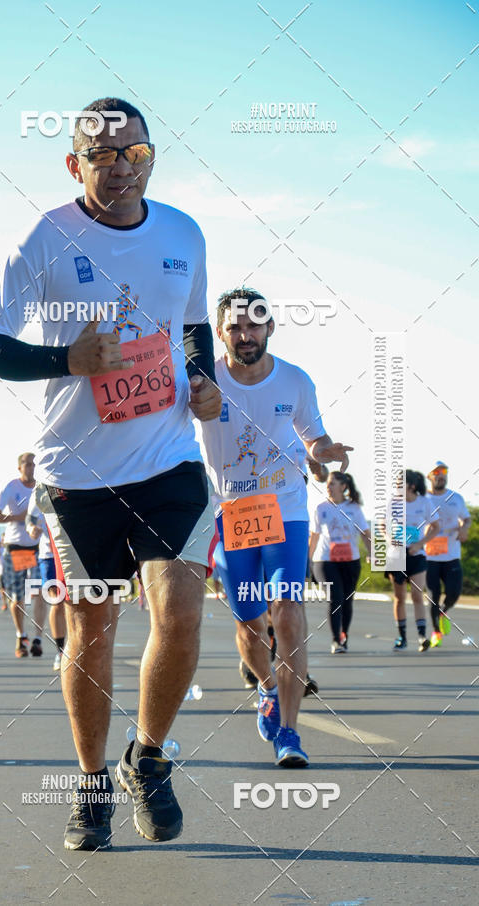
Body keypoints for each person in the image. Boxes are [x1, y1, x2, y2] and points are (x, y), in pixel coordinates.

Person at [0, 97, 221, 850]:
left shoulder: (183, 232)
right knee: (91, 627)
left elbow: (193, 325)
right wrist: (67, 361)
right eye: (104, 155)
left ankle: (147, 758)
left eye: (135, 154)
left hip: (169, 461)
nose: (121, 168)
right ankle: (89, 784)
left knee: (179, 613)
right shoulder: (44, 238)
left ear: (151, 155)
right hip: (76, 472)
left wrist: (204, 380)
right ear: (74, 162)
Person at [198, 288, 352, 767]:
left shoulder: (295, 381)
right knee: (249, 622)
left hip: (286, 511)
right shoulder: (203, 381)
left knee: (287, 610)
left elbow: (315, 437)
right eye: (235, 328)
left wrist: (324, 452)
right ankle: (266, 688)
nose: (246, 336)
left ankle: (289, 732)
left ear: (269, 327)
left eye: (254, 325)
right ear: (220, 333)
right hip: (232, 515)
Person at [0, 454, 45, 658]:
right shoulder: (12, 487)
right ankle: (21, 636)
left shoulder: (42, 487)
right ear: (19, 468)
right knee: (18, 597)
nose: (31, 468)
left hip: (38, 548)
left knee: (40, 593)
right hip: (17, 547)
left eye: (33, 464)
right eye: (27, 465)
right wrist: (20, 517)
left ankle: (38, 638)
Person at [309, 472, 371, 653]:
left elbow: (365, 534)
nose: (328, 487)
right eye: (327, 483)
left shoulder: (354, 508)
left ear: (343, 486)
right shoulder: (321, 508)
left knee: (347, 600)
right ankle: (336, 640)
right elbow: (314, 537)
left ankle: (344, 636)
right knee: (335, 598)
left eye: (332, 483)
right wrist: (307, 562)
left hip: (350, 560)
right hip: (325, 560)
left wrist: (373, 554)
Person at [385, 470, 439, 652]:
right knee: (399, 598)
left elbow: (436, 527)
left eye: (400, 483)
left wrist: (420, 544)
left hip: (417, 555)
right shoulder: (393, 502)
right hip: (396, 555)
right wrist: (390, 538)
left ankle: (422, 636)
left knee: (417, 595)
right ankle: (402, 637)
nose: (397, 487)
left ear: (412, 486)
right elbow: (383, 526)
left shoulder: (425, 503)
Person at [425, 461, 471, 647]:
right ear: (429, 477)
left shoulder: (456, 498)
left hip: (452, 555)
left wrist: (464, 529)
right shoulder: (422, 500)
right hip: (429, 557)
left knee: (454, 593)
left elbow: (466, 519)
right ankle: (436, 632)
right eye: (436, 472)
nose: (440, 475)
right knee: (433, 595)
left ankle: (444, 611)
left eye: (443, 471)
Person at [26, 490, 66, 671]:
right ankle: (61, 652)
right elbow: (30, 519)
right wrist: (31, 528)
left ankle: (76, 647)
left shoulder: (76, 481)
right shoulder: (40, 490)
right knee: (57, 601)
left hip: (73, 553)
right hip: (49, 555)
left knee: (77, 603)